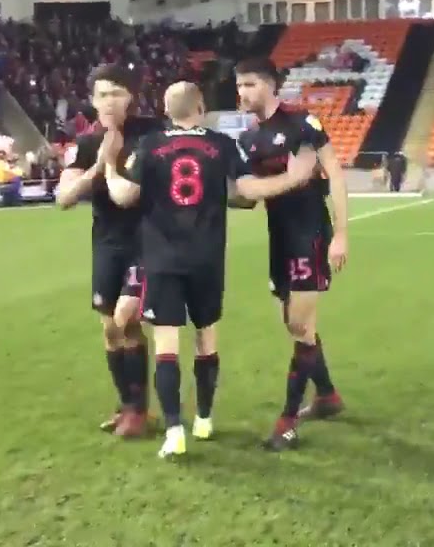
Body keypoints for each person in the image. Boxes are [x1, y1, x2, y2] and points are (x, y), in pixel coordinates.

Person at [104, 81, 318, 458]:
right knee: (206, 339)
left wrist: (108, 167)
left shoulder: (150, 145)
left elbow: (125, 196)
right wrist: (295, 178)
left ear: (168, 110)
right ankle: (204, 418)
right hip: (207, 257)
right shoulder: (222, 144)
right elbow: (247, 191)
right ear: (200, 107)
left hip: (162, 259)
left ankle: (174, 430)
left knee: (166, 344)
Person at [234, 57, 351, 451]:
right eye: (239, 85)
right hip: (279, 239)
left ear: (269, 84)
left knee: (301, 326)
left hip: (311, 235)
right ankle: (328, 396)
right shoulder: (249, 140)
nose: (242, 92)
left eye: (249, 83)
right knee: (294, 325)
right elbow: (247, 196)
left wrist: (341, 235)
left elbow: (334, 173)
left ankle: (286, 421)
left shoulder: (303, 124)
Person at [55, 64, 160, 439]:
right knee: (111, 330)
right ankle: (128, 405)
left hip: (147, 241)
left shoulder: (152, 135)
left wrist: (115, 166)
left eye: (116, 92)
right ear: (91, 99)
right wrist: (99, 165)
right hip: (107, 244)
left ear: (131, 96)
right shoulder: (85, 143)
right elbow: (64, 198)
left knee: (125, 316)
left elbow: (132, 194)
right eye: (102, 94)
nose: (109, 101)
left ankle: (139, 410)